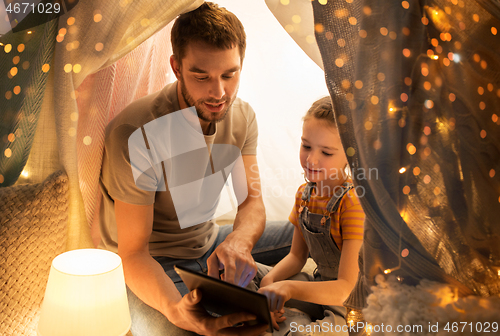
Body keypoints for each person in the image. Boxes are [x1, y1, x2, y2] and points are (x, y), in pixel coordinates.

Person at [98, 2, 293, 335]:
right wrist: (176, 311)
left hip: (208, 244)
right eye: (201, 76)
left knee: (319, 237)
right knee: (202, 327)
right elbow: (132, 253)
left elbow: (252, 202)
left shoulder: (242, 117)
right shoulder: (137, 133)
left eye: (229, 75)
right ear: (176, 67)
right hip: (151, 265)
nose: (218, 93)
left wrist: (238, 242)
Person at [256, 96, 365, 335]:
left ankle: (294, 323)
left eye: (326, 152)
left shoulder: (352, 202)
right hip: (317, 286)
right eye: (306, 146)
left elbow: (347, 288)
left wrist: (289, 289)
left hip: (349, 306)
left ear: (349, 155)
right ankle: (287, 316)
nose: (312, 159)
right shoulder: (303, 195)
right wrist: (270, 280)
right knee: (246, 271)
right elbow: (296, 257)